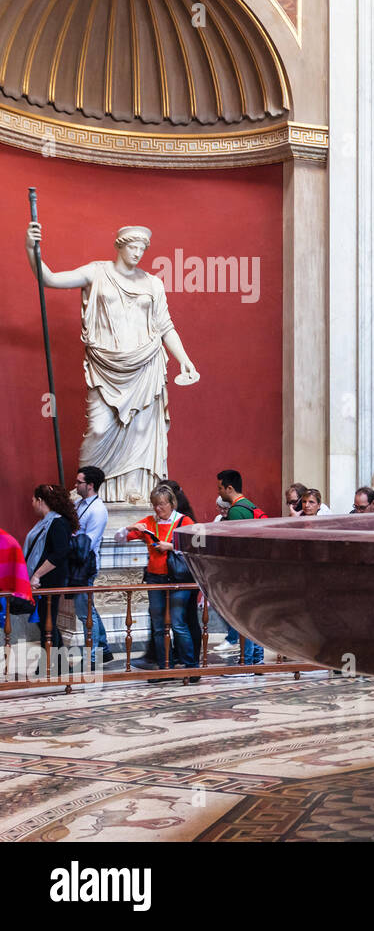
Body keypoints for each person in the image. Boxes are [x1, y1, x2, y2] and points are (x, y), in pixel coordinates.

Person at [25, 222, 200, 505]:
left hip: (146, 364)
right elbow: (50, 279)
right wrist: (31, 247)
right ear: (119, 246)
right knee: (99, 428)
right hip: (106, 365)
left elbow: (165, 326)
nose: (137, 253)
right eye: (132, 247)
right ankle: (87, 485)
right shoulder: (96, 272)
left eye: (142, 249)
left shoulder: (153, 283)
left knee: (141, 431)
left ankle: (135, 489)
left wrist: (185, 360)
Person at [114, 485, 197, 675]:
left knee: (178, 623)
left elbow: (198, 545)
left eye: (161, 505)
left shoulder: (184, 521)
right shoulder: (149, 522)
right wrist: (131, 527)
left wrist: (172, 546)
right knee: (159, 626)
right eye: (155, 505)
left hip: (178, 578)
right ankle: (163, 666)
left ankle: (191, 667)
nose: (158, 509)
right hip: (155, 578)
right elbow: (119, 538)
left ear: (171, 504)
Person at [214, 470, 263, 664]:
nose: (218, 491)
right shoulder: (250, 505)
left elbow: (234, 547)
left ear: (229, 488)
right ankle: (257, 660)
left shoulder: (235, 510)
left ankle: (248, 662)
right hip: (254, 570)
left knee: (245, 621)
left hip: (243, 573)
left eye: (220, 487)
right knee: (253, 620)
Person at [25, 485, 79, 649]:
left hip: (49, 580)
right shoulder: (46, 522)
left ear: (41, 501)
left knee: (46, 621)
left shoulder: (57, 522)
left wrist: (37, 575)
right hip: (44, 579)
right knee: (45, 621)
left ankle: (51, 663)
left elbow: (59, 553)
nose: (32, 503)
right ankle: (58, 662)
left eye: (33, 500)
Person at [73, 467, 111, 661]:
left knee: (85, 611)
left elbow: (87, 542)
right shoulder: (79, 504)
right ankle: (103, 648)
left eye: (79, 482)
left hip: (86, 564)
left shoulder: (97, 510)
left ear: (90, 485)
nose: (76, 485)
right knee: (88, 608)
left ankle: (93, 656)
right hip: (77, 562)